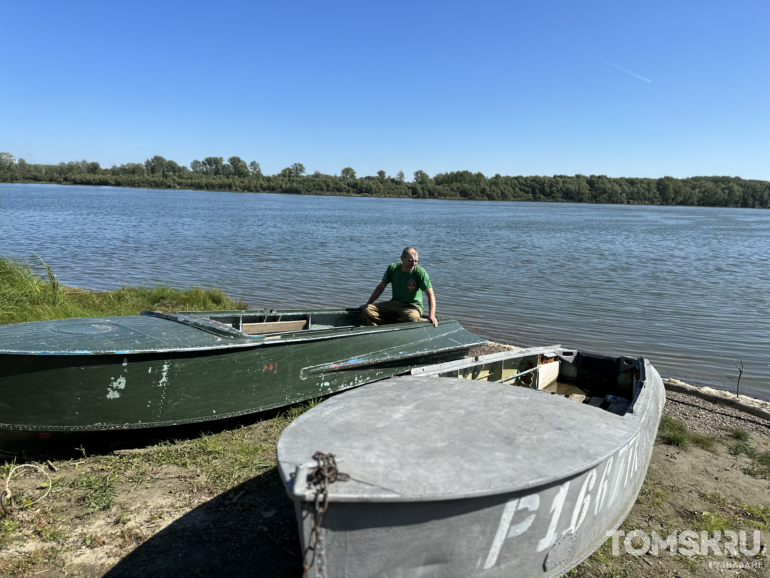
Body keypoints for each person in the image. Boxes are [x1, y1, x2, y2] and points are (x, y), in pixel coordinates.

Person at [363, 247, 438, 327]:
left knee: (412, 318)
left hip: (412, 306)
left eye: (416, 261)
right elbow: (381, 287)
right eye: (410, 261)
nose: (413, 264)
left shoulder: (420, 273)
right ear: (402, 258)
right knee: (367, 309)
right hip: (395, 303)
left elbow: (430, 294)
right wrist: (368, 303)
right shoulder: (392, 269)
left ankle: (395, 323)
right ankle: (384, 326)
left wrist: (431, 315)